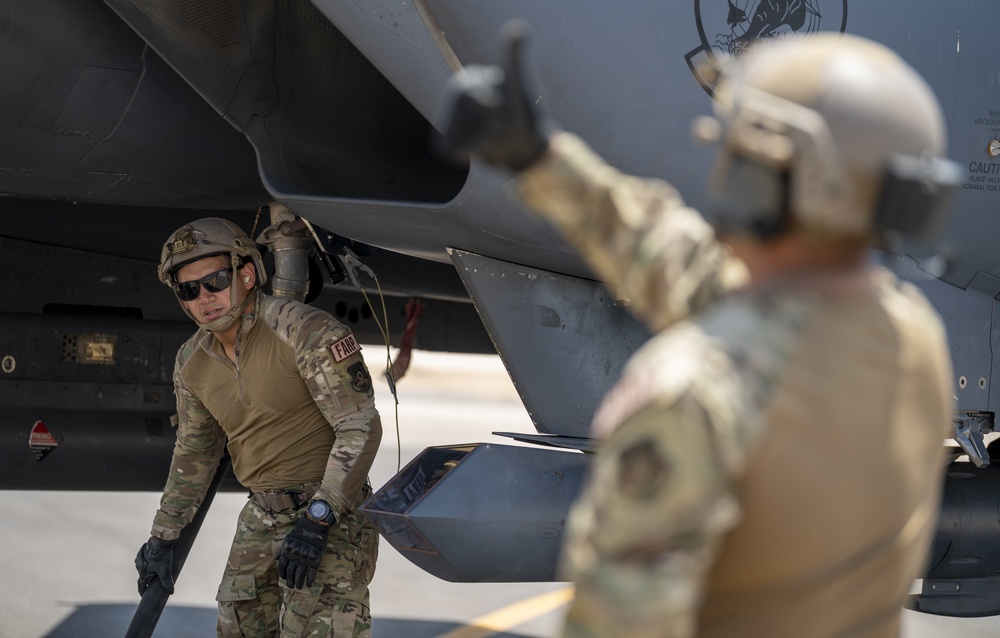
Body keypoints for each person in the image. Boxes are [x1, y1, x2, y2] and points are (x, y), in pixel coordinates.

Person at [438, 26, 959, 637]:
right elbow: (689, 270)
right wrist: (541, 159)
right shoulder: (909, 336)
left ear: (767, 179)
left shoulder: (692, 394)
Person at [134, 218, 381, 637]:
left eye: (213, 281)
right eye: (188, 290)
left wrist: (319, 519)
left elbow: (360, 427)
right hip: (261, 515)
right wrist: (163, 537)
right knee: (238, 626)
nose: (204, 298)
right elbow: (195, 452)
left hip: (331, 509)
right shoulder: (191, 362)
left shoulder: (304, 331)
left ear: (246, 273)